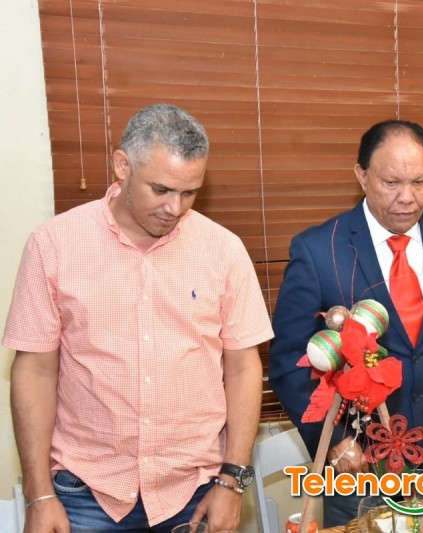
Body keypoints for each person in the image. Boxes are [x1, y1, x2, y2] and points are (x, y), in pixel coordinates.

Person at [4, 103, 274, 532]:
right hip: (85, 493)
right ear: (122, 166)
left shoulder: (223, 250)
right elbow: (34, 371)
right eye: (161, 189)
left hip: (195, 490)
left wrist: (232, 481)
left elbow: (243, 367)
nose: (174, 208)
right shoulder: (53, 245)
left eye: (189, 193)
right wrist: (39, 494)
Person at [269, 119, 423, 526]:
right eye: (392, 182)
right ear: (362, 176)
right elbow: (289, 362)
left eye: (419, 182)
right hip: (359, 464)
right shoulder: (318, 250)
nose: (407, 198)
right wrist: (337, 443)